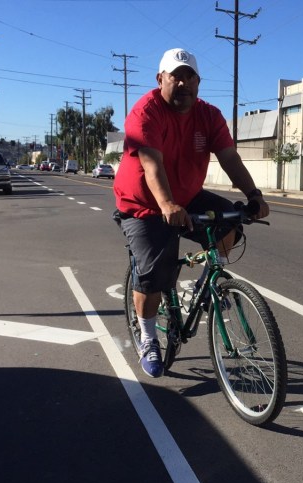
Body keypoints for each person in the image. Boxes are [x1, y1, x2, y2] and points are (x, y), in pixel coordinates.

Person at [114, 47, 269, 378]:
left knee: (231, 222)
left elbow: (229, 158)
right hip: (143, 203)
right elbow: (151, 163)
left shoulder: (208, 115)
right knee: (154, 273)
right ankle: (148, 337)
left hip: (187, 195)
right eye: (175, 77)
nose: (183, 83)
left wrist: (253, 195)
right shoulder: (146, 112)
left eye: (189, 77)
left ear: (198, 82)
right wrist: (167, 205)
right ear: (161, 80)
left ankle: (209, 282)